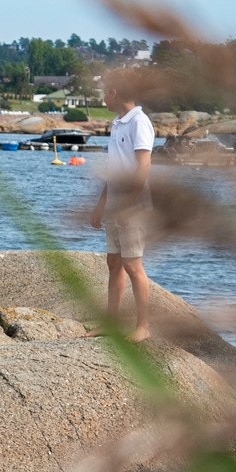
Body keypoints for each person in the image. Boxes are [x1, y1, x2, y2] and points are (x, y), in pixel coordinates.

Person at [88, 84, 155, 342]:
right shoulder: (118, 123)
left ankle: (143, 327)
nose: (103, 97)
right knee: (114, 263)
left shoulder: (139, 122)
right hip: (115, 206)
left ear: (114, 92)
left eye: (104, 92)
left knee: (132, 265)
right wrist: (101, 204)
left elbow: (144, 165)